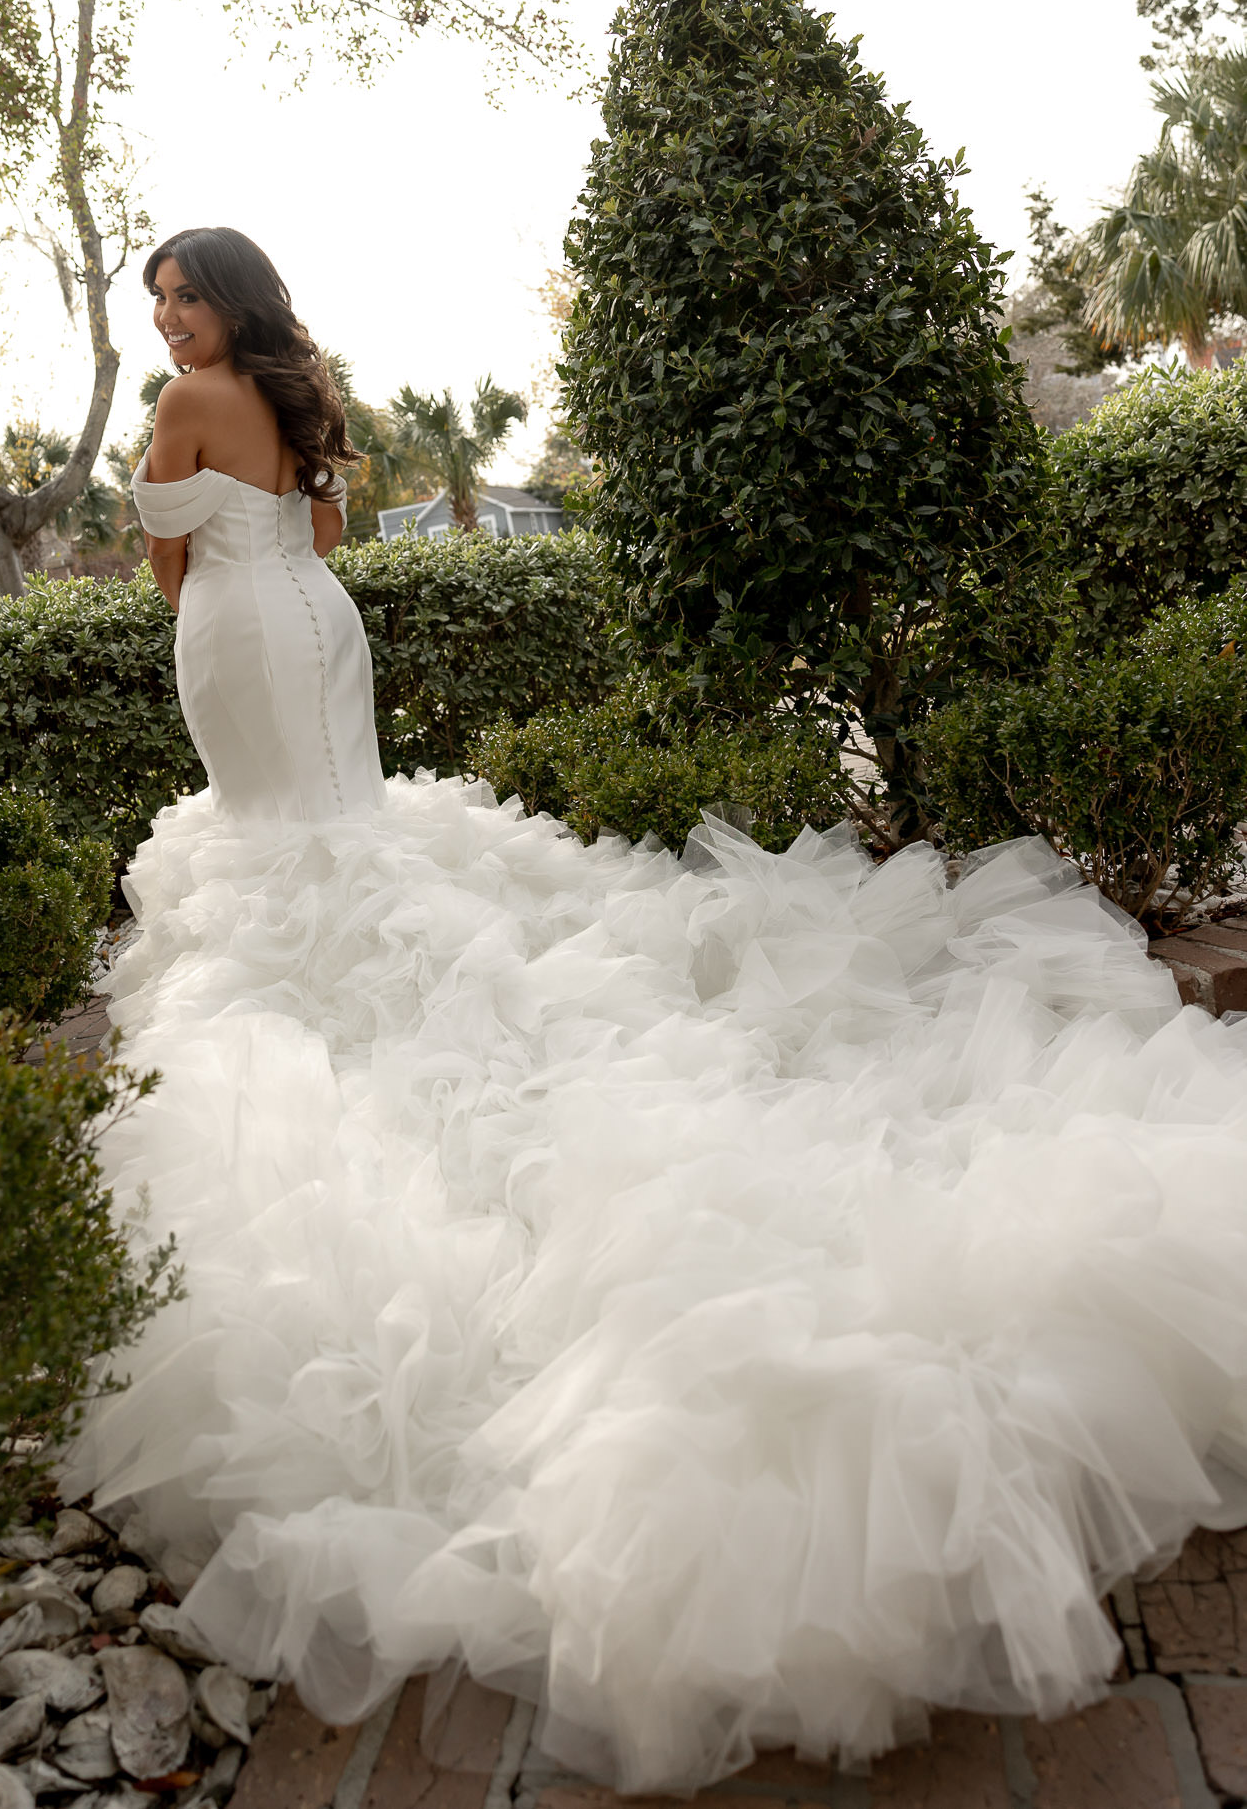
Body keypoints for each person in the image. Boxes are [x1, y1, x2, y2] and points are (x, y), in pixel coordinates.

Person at [65, 224, 1247, 1793]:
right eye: (157, 298)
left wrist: (198, 509)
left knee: (281, 839)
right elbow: (321, 540)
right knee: (332, 830)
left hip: (233, 638)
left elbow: (162, 564)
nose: (169, 315)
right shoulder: (297, 388)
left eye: (183, 291)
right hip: (316, 631)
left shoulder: (183, 401)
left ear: (226, 301)